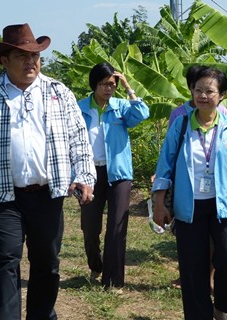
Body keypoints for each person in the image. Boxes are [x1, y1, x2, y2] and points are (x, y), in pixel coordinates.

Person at [0, 23, 96, 320]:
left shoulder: (59, 93)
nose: (31, 62)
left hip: (48, 193)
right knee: (5, 261)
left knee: (47, 262)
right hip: (4, 196)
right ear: (5, 62)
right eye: (22, 56)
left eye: (35, 56)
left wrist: (83, 176)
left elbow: (79, 139)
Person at [152, 67, 227, 320]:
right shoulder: (180, 126)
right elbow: (165, 166)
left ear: (222, 95)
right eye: (197, 89)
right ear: (191, 91)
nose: (202, 95)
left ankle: (221, 306)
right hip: (189, 207)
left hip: (226, 206)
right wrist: (160, 203)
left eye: (209, 91)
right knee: (193, 268)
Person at [77, 62, 149, 289]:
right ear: (94, 84)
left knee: (117, 225)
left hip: (118, 173)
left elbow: (142, 113)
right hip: (89, 173)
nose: (108, 89)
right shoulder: (80, 108)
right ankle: (96, 264)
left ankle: (113, 278)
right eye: (103, 84)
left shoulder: (121, 107)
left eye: (112, 84)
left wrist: (128, 86)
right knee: (90, 227)